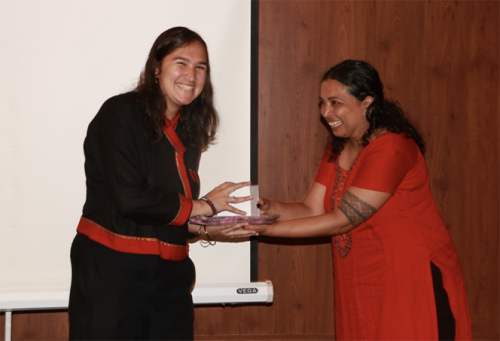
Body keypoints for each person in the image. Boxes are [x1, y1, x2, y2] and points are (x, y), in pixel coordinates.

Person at [248, 60, 472, 341]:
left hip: (410, 277)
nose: (325, 112)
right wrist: (264, 209)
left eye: (335, 102)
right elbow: (311, 209)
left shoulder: (392, 147)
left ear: (367, 102)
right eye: (322, 102)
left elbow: (342, 220)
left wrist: (262, 229)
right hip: (362, 280)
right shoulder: (338, 146)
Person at [68, 27, 257, 341]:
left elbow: (164, 215)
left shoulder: (189, 130)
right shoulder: (120, 112)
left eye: (201, 67)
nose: (191, 75)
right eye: (181, 63)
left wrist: (208, 226)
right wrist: (205, 206)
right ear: (156, 68)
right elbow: (130, 200)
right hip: (114, 270)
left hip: (171, 276)